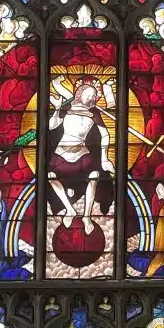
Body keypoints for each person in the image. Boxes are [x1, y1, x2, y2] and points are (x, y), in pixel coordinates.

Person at [47, 78, 115, 234]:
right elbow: (51, 126)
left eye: (94, 95)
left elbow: (105, 134)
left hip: (82, 154)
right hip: (62, 153)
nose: (92, 97)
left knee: (94, 175)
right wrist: (57, 108)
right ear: (79, 94)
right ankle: (69, 209)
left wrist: (104, 158)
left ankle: (87, 216)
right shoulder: (67, 107)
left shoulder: (94, 113)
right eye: (88, 94)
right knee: (50, 175)